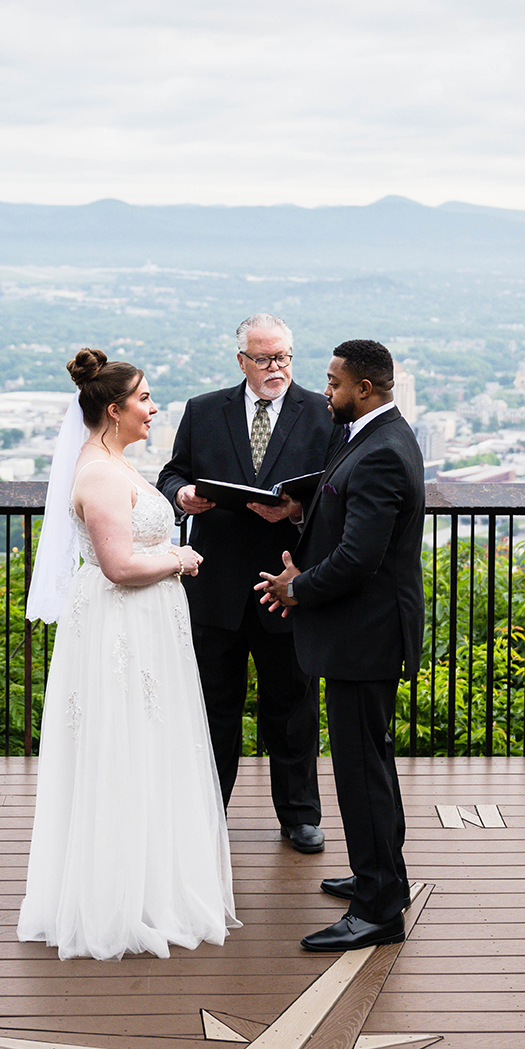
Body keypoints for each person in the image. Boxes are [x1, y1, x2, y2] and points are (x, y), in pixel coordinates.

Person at [17, 348, 238, 961]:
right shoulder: (99, 474)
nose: (154, 407)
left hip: (146, 626)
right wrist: (180, 557)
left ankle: (150, 883)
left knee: (150, 744)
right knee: (122, 744)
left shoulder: (116, 463)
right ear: (113, 410)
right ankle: (117, 899)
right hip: (121, 627)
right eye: (144, 398)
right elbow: (116, 566)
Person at [257, 339, 425, 953]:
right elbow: (344, 511)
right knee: (368, 765)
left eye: (334, 384)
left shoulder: (380, 450)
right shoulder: (375, 434)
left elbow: (360, 556)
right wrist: (305, 508)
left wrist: (298, 588)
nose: (326, 392)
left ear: (366, 388)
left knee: (360, 772)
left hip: (365, 637)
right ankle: (381, 877)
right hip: (363, 634)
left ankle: (378, 909)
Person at [157, 313, 338, 852]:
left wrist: (297, 510)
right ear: (241, 361)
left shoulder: (323, 413)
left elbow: (335, 492)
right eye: (263, 358)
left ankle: (300, 816)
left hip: (285, 582)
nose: (275, 367)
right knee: (213, 708)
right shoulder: (203, 409)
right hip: (215, 586)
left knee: (293, 707)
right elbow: (172, 472)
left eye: (283, 356)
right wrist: (182, 495)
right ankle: (207, 814)